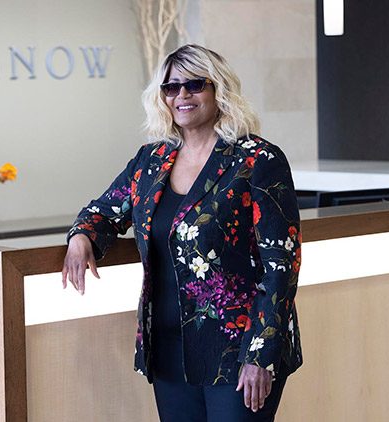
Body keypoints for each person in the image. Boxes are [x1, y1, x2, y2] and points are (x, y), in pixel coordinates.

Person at [62, 44, 303, 422]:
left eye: (194, 85)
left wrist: (261, 356)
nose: (182, 96)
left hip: (239, 351)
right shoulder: (152, 159)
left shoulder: (257, 159)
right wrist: (81, 237)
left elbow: (281, 265)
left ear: (218, 90)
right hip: (169, 349)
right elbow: (104, 211)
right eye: (171, 88)